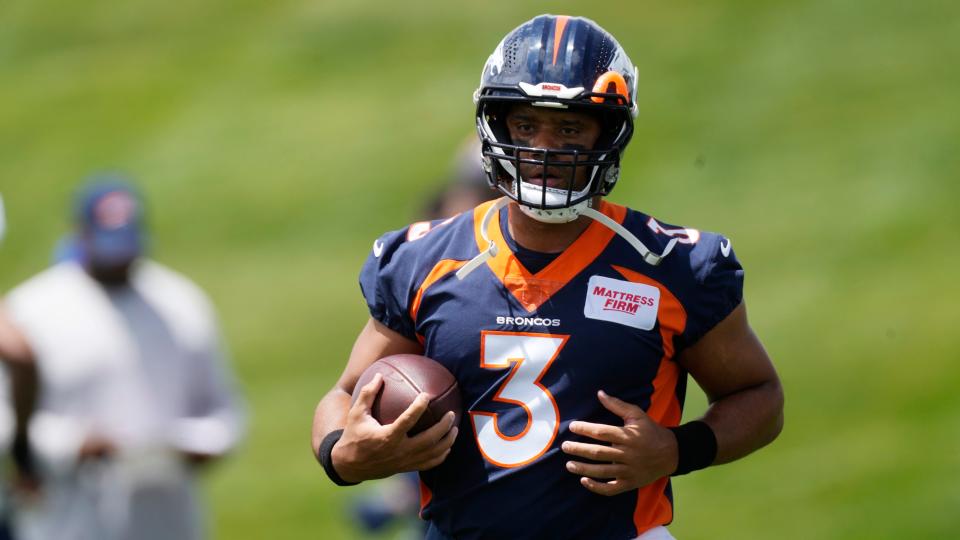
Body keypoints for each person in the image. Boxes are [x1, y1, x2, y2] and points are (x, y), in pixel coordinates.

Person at [312, 14, 784, 540]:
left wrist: (678, 449)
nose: (543, 149)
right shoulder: (424, 259)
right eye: (525, 125)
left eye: (569, 127)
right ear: (496, 126)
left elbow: (758, 394)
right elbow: (345, 394)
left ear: (608, 132)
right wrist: (344, 454)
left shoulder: (669, 265)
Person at [4, 178, 246, 540]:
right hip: (68, 515)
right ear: (81, 235)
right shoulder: (31, 310)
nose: (119, 260)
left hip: (167, 513)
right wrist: (73, 445)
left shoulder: (180, 303)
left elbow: (224, 412)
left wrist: (193, 444)